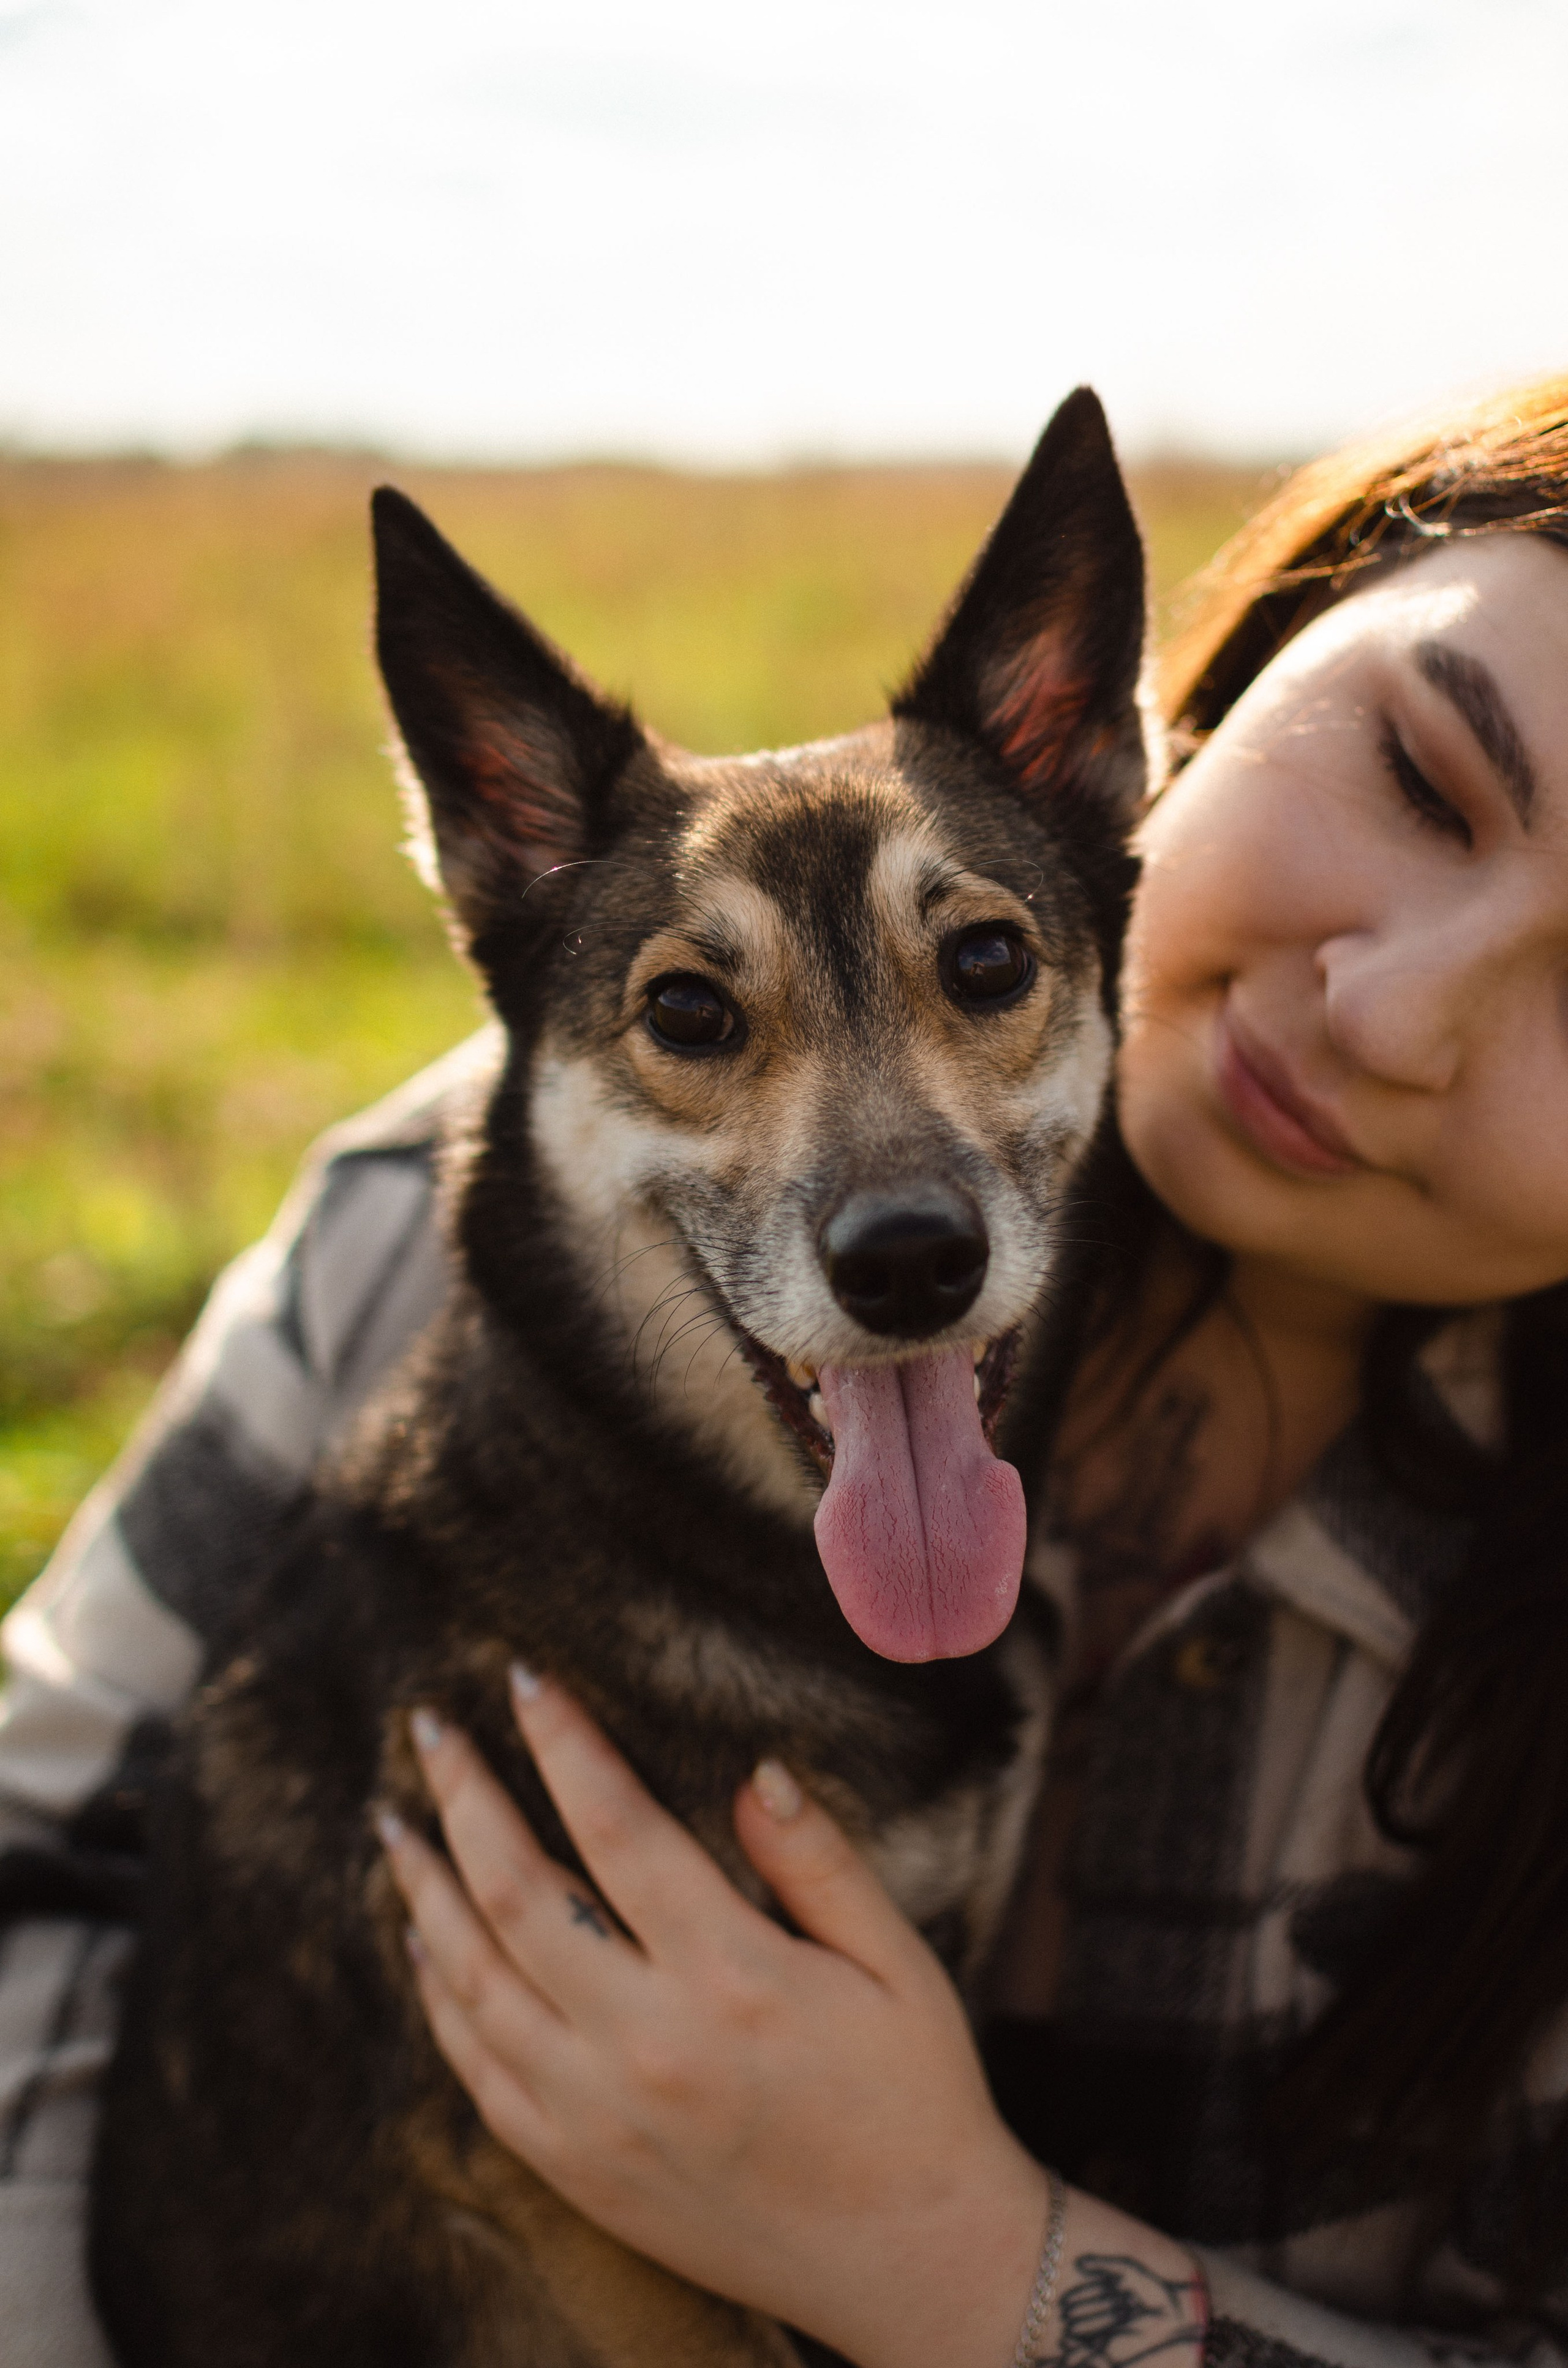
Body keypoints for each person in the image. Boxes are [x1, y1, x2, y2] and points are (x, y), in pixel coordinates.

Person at [3, 376, 1567, 2368]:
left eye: (982, 969)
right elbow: (37, 1851)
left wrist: (953, 2254)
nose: (1399, 1011)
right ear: (1200, 698)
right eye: (1429, 780)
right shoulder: (421, 1229)